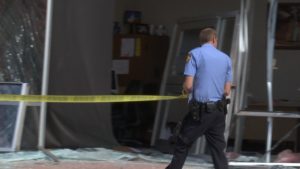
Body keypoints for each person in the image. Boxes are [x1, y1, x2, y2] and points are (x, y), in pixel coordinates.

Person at [165, 27, 232, 169]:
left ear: (201, 40)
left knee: (182, 142)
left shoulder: (194, 54)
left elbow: (188, 86)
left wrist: (185, 89)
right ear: (214, 39)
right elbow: (227, 91)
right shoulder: (226, 58)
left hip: (201, 112)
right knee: (218, 149)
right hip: (219, 112)